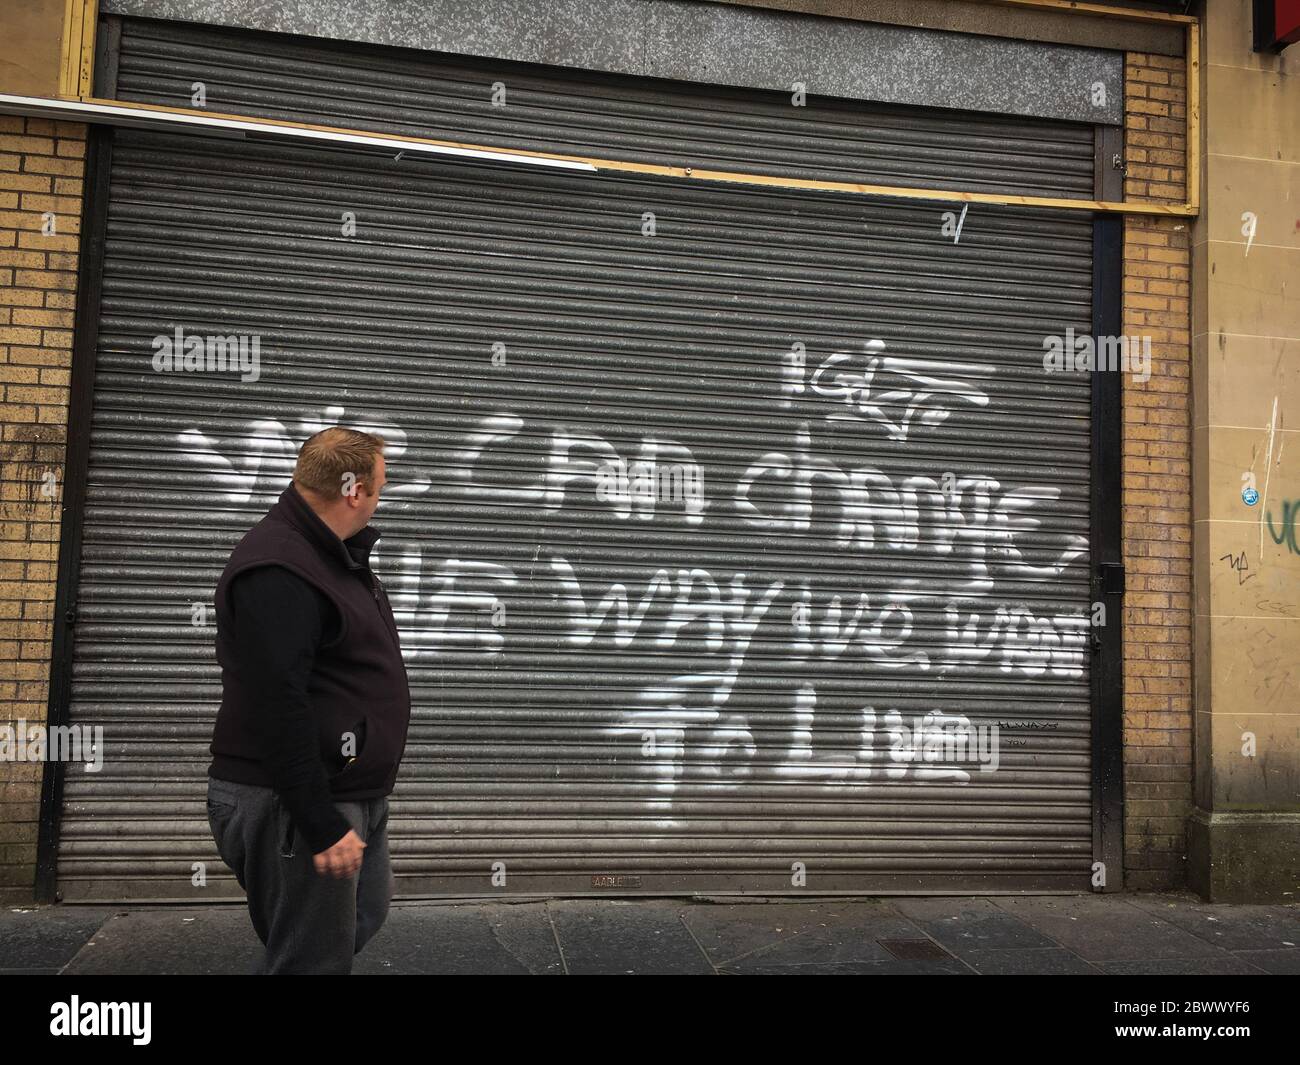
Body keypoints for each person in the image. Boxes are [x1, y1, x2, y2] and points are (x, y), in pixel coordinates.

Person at [204, 426, 411, 974]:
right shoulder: (279, 569)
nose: (381, 495)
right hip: (292, 800)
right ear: (354, 491)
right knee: (310, 959)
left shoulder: (329, 556)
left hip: (348, 785)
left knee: (357, 919)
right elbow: (275, 703)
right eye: (381, 484)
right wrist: (319, 820)